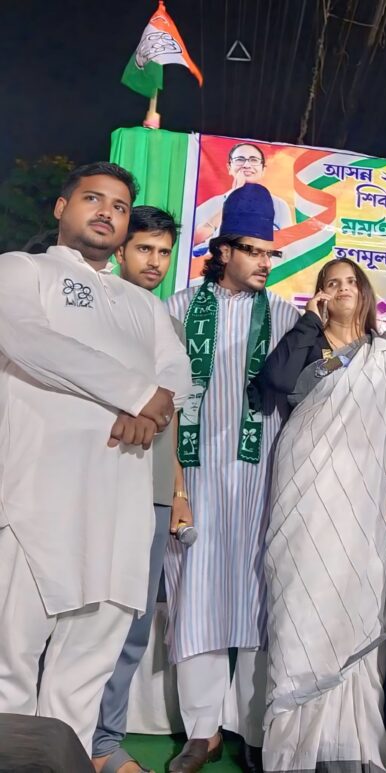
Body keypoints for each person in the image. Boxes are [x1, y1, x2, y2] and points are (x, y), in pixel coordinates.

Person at [0, 163, 191, 753]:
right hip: (35, 500)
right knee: (9, 668)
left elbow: (177, 374)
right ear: (62, 208)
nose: (108, 211)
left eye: (120, 206)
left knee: (84, 678)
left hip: (120, 507)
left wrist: (152, 412)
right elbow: (27, 340)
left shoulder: (145, 306)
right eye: (93, 199)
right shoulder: (22, 270)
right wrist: (138, 395)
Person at [164, 183, 300, 773]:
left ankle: (254, 729)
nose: (266, 263)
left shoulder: (288, 317)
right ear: (223, 251)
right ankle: (202, 732)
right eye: (254, 251)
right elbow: (162, 400)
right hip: (194, 481)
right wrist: (173, 489)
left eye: (271, 253)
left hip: (263, 482)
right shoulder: (177, 309)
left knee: (259, 600)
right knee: (196, 594)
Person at [257, 257, 386, 773]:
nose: (342, 290)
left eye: (350, 283)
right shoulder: (308, 343)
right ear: (321, 293)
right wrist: (309, 319)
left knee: (355, 597)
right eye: (331, 284)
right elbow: (277, 381)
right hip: (305, 485)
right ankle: (293, 746)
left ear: (364, 293)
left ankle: (352, 742)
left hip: (363, 495)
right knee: (299, 597)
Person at [91, 206, 189, 773]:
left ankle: (103, 742)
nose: (155, 262)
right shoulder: (94, 308)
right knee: (81, 614)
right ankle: (55, 732)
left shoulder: (168, 325)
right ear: (121, 250)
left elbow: (172, 418)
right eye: (145, 249)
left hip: (151, 492)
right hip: (97, 479)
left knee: (132, 625)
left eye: (164, 252)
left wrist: (177, 492)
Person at [192, 143, 293, 259]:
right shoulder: (212, 205)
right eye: (240, 159)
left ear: (263, 169)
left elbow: (287, 248)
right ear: (229, 168)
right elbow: (193, 240)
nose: (246, 165)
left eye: (253, 160)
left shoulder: (279, 206)